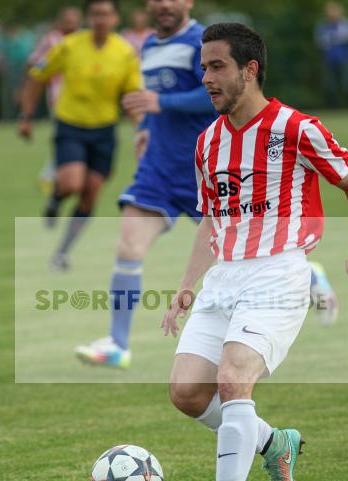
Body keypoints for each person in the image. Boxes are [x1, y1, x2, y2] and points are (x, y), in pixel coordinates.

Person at [161, 23, 348, 481]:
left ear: (249, 69)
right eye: (203, 67)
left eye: (217, 67)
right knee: (187, 392)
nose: (206, 78)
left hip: (279, 272)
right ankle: (273, 442)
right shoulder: (208, 142)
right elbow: (210, 220)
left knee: (235, 380)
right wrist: (188, 284)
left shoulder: (296, 128)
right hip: (224, 278)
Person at [74, 0, 215, 368]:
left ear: (188, 2)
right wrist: (145, 128)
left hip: (204, 171)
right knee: (129, 245)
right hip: (158, 170)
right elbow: (152, 105)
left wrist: (161, 103)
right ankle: (118, 344)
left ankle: (307, 272)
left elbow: (216, 96)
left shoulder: (204, 41)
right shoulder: (150, 46)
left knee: (248, 250)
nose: (165, 4)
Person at [18, 0, 142, 272]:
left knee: (90, 194)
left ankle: (62, 252)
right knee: (73, 183)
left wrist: (141, 129)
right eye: (96, 14)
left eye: (106, 14)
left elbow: (131, 95)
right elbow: (38, 76)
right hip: (70, 125)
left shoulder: (124, 52)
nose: (101, 19)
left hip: (104, 130)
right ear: (88, 17)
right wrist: (25, 116)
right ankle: (56, 198)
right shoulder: (69, 45)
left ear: (115, 18)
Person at [26, 7, 82, 194]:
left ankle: (57, 175)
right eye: (68, 20)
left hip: (84, 96)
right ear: (61, 21)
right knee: (67, 136)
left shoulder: (84, 39)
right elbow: (35, 62)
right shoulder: (51, 39)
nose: (71, 24)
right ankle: (49, 176)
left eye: (75, 20)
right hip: (59, 95)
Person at [314, 2, 348, 108]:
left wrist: (331, 39)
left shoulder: (345, 24)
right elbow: (320, 41)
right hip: (328, 58)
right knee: (330, 83)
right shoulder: (323, 26)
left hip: (344, 57)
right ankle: (332, 106)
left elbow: (347, 37)